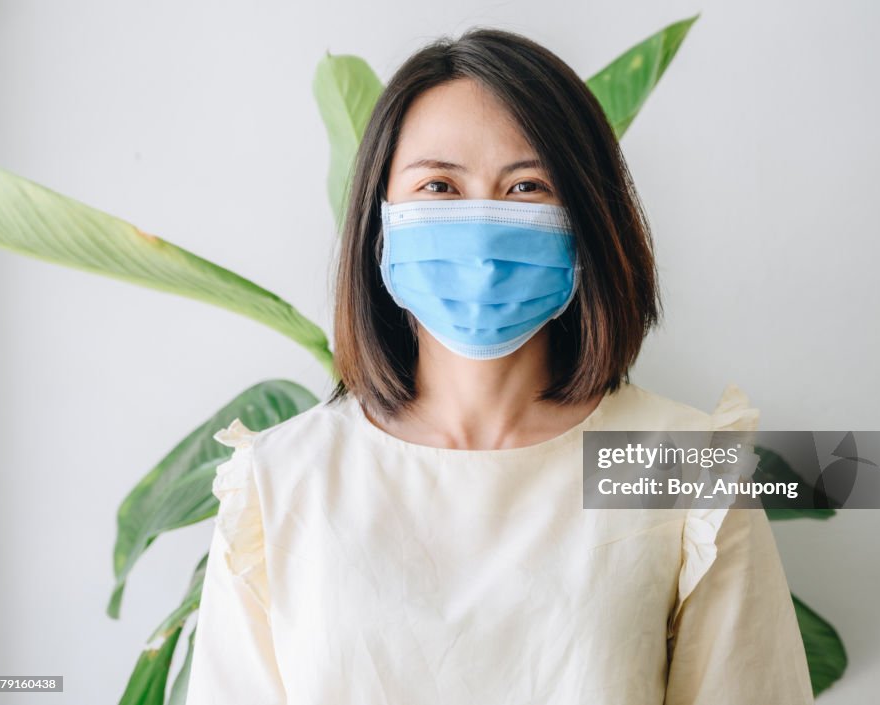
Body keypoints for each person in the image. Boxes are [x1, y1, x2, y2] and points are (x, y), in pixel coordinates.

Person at [185, 26, 814, 705]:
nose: (481, 233)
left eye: (525, 186)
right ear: (381, 222)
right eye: (439, 185)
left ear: (588, 219)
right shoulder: (281, 482)